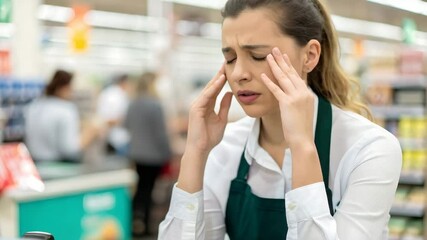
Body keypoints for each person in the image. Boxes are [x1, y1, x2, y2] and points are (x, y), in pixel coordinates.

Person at [158, 0, 402, 239]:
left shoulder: (369, 149)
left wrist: (302, 147)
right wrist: (195, 154)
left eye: (258, 55)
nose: (239, 73)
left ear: (309, 56)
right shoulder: (225, 146)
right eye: (230, 59)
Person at [124, 72, 172, 237]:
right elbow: (161, 134)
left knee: (139, 190)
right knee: (149, 191)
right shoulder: (155, 105)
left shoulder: (132, 103)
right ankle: (147, 225)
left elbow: (126, 126)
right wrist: (168, 153)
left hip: (136, 154)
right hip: (153, 156)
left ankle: (133, 222)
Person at [25, 69, 96, 162]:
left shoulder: (33, 106)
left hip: (35, 164)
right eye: (70, 88)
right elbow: (70, 150)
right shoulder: (66, 110)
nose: (72, 92)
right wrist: (89, 133)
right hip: (59, 167)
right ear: (63, 88)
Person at [96, 74, 130, 155]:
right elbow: (114, 118)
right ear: (124, 82)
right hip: (118, 139)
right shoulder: (119, 95)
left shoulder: (107, 93)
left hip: (108, 137)